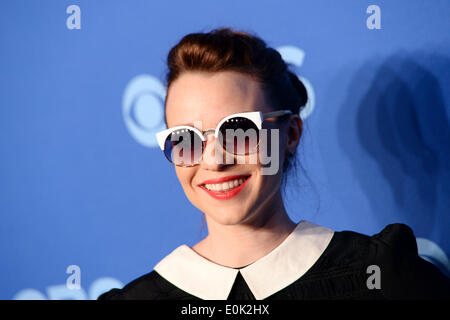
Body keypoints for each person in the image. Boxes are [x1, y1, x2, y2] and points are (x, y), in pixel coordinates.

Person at [98, 27, 450, 300]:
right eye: (186, 139)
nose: (215, 161)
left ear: (291, 133)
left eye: (238, 131)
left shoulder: (382, 278)